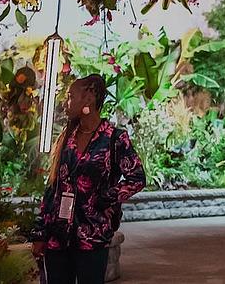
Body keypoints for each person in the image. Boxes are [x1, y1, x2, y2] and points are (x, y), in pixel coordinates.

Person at [30, 74, 146, 284]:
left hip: (91, 235)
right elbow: (53, 187)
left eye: (70, 96)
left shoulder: (114, 138)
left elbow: (137, 178)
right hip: (58, 235)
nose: (66, 102)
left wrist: (105, 199)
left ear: (88, 99)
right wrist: (41, 232)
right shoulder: (68, 136)